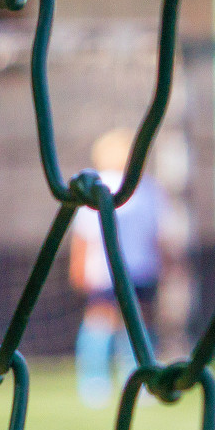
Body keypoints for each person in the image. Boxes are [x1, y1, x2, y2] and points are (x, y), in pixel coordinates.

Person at [69, 129, 166, 408]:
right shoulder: (144, 188)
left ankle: (96, 381)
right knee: (134, 322)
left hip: (109, 269)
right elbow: (157, 236)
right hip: (132, 268)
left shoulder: (106, 189)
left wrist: (79, 265)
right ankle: (134, 377)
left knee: (103, 321)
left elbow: (82, 237)